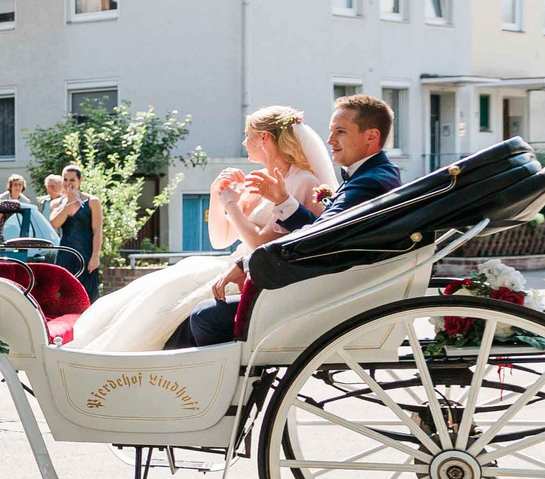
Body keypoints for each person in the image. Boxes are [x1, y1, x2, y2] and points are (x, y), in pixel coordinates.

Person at [64, 105, 336, 353]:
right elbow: (221, 239)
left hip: (254, 272)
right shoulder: (264, 181)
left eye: (247, 135)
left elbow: (259, 245)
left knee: (165, 306)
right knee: (155, 291)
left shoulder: (301, 182)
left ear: (264, 138)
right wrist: (217, 195)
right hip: (235, 262)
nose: (243, 142)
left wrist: (231, 204)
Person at [159, 94, 400, 349]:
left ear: (371, 136)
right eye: (331, 132)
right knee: (180, 312)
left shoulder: (369, 182)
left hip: (322, 290)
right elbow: (322, 231)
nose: (329, 140)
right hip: (320, 280)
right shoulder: (370, 176)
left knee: (201, 316)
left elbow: (320, 237)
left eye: (340, 132)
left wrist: (247, 262)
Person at [48, 166, 105, 298]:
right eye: (66, 180)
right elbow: (56, 223)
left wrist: (95, 256)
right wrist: (69, 202)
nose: (69, 183)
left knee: (88, 295)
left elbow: (97, 231)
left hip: (86, 253)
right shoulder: (56, 203)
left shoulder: (93, 202)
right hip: (65, 253)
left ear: (80, 180)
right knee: (65, 295)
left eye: (72, 180)